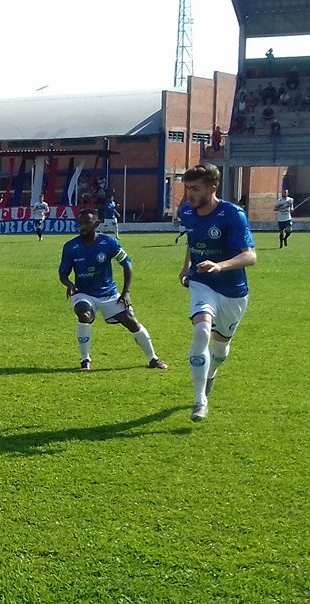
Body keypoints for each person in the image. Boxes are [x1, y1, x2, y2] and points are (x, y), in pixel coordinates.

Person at [177, 164, 257, 422]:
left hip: (233, 290)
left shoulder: (233, 214)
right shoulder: (187, 211)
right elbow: (192, 240)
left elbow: (250, 256)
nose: (189, 195)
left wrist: (219, 265)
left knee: (221, 347)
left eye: (195, 189)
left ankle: (211, 374)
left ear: (213, 189)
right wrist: (187, 265)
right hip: (202, 283)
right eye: (187, 188)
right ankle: (200, 400)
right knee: (201, 331)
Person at [59, 209, 167, 372]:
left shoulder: (109, 243)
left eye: (87, 222)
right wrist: (69, 284)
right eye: (80, 223)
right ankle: (85, 360)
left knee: (131, 321)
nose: (82, 226)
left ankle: (153, 359)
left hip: (108, 293)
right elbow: (63, 274)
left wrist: (126, 292)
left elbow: (127, 265)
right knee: (83, 313)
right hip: (84, 293)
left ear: (96, 223)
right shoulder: (70, 247)